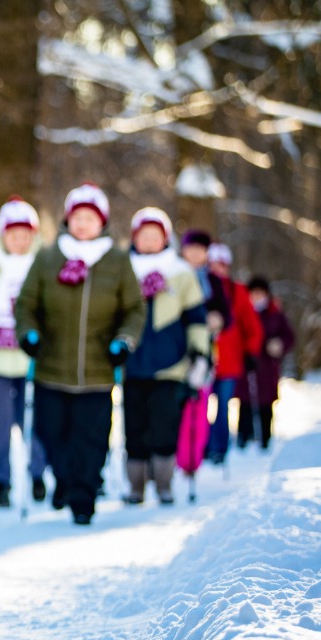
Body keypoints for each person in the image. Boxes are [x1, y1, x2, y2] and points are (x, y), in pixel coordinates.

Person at [14, 182, 145, 525]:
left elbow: (133, 309)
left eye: (90, 218)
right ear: (67, 220)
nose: (83, 224)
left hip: (98, 371)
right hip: (51, 367)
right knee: (51, 433)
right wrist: (28, 333)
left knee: (91, 439)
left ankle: (83, 497)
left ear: (102, 221)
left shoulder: (117, 260)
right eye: (77, 217)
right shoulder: (48, 257)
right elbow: (27, 303)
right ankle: (65, 480)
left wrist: (124, 340)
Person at [122, 208, 209, 505]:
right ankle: (136, 486)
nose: (149, 241)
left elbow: (196, 318)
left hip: (170, 365)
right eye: (143, 235)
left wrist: (200, 354)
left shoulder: (181, 273)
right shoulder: (122, 269)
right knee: (134, 428)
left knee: (164, 427)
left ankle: (164, 484)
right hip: (132, 364)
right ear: (134, 238)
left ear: (165, 238)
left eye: (155, 235)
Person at [0, 196, 48, 508]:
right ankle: (0, 483)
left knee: (32, 422)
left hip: (30, 358)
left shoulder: (42, 263)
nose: (19, 241)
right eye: (13, 234)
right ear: (2, 234)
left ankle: (38, 475)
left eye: (25, 235)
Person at [205, 243, 263, 464]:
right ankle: (201, 447)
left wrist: (251, 352)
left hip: (229, 362)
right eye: (213, 265)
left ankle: (219, 448)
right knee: (200, 408)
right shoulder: (200, 284)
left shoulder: (237, 291)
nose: (217, 269)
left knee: (222, 407)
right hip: (203, 360)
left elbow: (252, 326)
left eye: (221, 265)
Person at [236, 276, 295, 451]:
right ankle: (244, 436)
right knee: (246, 403)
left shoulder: (275, 313)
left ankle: (265, 438)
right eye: (254, 293)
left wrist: (279, 345)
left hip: (268, 366)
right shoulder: (243, 312)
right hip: (247, 364)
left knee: (266, 404)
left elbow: (289, 337)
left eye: (260, 293)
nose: (257, 297)